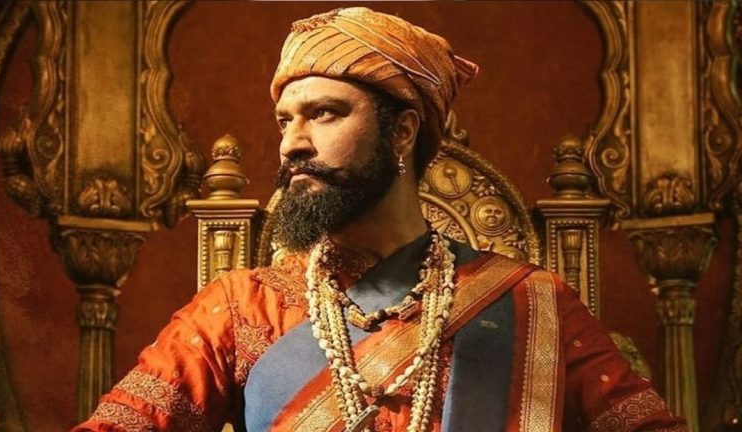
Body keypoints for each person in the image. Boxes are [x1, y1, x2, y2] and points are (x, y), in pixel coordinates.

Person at [73, 7, 687, 432]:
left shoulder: (533, 305)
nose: (292, 144)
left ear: (403, 131)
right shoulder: (241, 310)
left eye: (324, 113)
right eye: (285, 121)